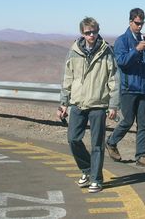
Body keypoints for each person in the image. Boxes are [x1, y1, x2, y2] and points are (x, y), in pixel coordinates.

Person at [57, 17, 119, 193]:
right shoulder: (74, 51)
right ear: (82, 33)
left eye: (94, 32)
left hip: (98, 104)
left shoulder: (106, 52)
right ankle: (87, 170)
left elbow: (114, 79)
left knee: (97, 145)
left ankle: (97, 179)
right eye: (88, 32)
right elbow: (67, 78)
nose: (92, 35)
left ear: (98, 31)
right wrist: (63, 103)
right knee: (73, 139)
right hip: (77, 103)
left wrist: (113, 105)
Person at [106, 7, 145, 167]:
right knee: (128, 120)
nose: (140, 26)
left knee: (143, 124)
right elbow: (121, 62)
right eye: (137, 23)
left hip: (141, 87)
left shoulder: (143, 39)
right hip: (128, 88)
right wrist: (136, 50)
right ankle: (111, 141)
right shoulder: (122, 40)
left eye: (142, 23)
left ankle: (142, 156)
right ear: (130, 22)